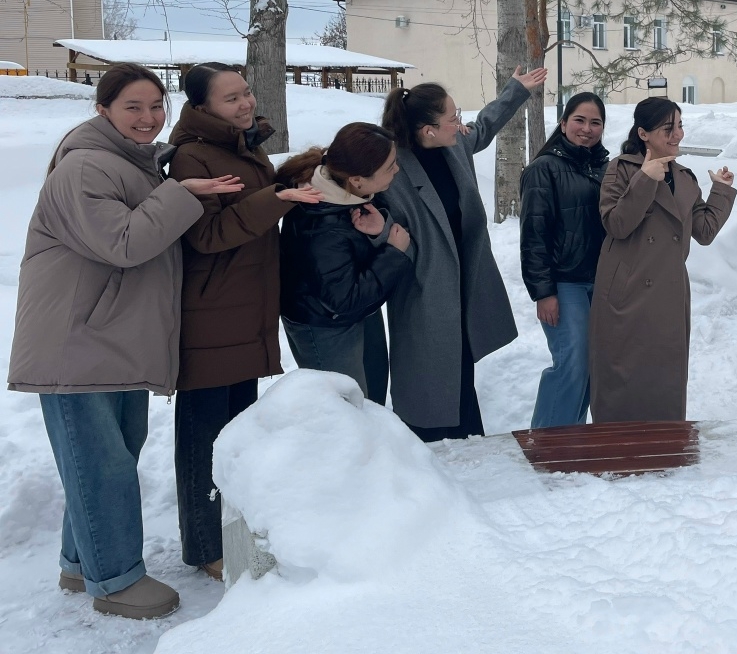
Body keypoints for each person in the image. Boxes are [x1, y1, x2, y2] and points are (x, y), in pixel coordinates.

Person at [8, 63, 242, 619]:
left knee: (109, 457)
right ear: (102, 110)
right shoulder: (84, 167)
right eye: (133, 107)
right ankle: (113, 579)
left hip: (111, 340)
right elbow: (125, 243)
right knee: (101, 466)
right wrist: (180, 193)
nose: (148, 117)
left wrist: (171, 185)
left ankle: (79, 561)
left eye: (156, 106)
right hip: (77, 343)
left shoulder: (133, 165)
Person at [167, 63, 323, 581]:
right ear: (202, 106)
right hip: (211, 315)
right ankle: (206, 547)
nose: (246, 103)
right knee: (204, 439)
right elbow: (206, 236)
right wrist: (274, 199)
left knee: (236, 437)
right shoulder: (192, 156)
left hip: (244, 309)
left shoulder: (242, 145)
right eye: (231, 98)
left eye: (246, 92)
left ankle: (231, 534)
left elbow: (255, 210)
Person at [379, 67, 547, 442]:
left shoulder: (453, 146)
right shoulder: (392, 170)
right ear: (428, 131)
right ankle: (425, 446)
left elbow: (483, 128)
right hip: (424, 290)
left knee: (460, 367)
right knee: (430, 372)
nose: (460, 122)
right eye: (452, 117)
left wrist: (516, 90)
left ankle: (467, 440)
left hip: (463, 284)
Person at [589, 97, 736, 423]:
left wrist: (721, 191)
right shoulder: (621, 169)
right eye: (668, 128)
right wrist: (645, 178)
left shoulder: (684, 177)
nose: (678, 134)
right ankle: (615, 447)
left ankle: (665, 446)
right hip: (626, 294)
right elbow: (616, 224)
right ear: (643, 133)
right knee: (621, 381)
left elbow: (704, 231)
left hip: (668, 296)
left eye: (680, 125)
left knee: (664, 382)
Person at [276, 122, 414, 400]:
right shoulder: (320, 226)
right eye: (390, 167)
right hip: (325, 326)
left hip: (357, 312)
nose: (397, 170)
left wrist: (379, 231)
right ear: (358, 180)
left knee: (370, 400)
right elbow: (343, 298)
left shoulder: (347, 192)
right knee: (346, 410)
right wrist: (393, 253)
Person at [519, 93, 609, 428]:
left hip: (602, 283)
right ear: (563, 123)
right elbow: (533, 235)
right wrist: (543, 292)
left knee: (592, 367)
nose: (587, 129)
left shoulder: (605, 168)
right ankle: (548, 441)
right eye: (579, 120)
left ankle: (571, 438)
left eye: (595, 122)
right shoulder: (543, 170)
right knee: (573, 363)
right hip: (565, 282)